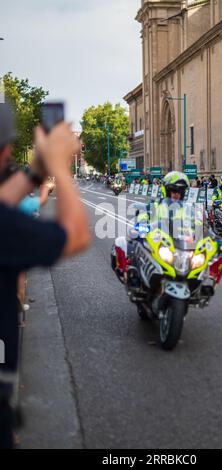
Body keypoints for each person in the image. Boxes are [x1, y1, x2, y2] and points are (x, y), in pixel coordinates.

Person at [0, 102, 91, 448]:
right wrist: (59, 168)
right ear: (6, 150)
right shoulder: (6, 228)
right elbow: (77, 234)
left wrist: (36, 173)